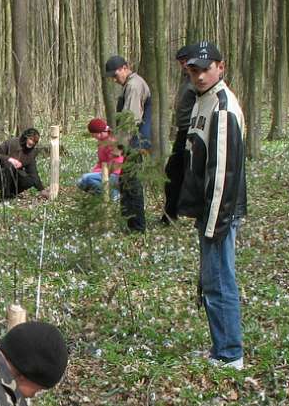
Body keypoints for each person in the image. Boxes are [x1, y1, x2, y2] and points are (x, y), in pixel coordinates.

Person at [175, 42, 248, 369]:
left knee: (219, 281)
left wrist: (215, 222)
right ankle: (222, 348)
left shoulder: (221, 108)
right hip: (208, 209)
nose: (200, 75)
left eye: (206, 69)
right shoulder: (201, 102)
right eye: (194, 70)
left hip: (219, 211)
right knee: (211, 280)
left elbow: (224, 172)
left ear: (221, 67)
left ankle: (230, 354)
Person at [103, 56, 152, 232]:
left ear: (125, 68)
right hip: (133, 141)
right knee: (126, 182)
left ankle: (138, 227)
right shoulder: (129, 85)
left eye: (116, 75)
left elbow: (130, 119)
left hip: (136, 141)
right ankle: (130, 223)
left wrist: (119, 147)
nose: (115, 80)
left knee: (132, 185)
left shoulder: (134, 86)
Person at [161, 45, 200, 224]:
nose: (183, 65)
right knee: (173, 172)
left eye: (186, 61)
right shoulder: (187, 79)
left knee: (178, 172)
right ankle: (171, 213)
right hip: (183, 131)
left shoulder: (198, 80)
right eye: (181, 62)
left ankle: (173, 214)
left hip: (192, 132)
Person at [0, 127, 47, 200]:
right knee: (9, 165)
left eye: (34, 141)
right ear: (25, 137)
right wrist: (9, 159)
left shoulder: (30, 154)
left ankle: (11, 193)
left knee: (30, 180)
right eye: (31, 139)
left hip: (11, 175)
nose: (31, 142)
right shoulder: (12, 142)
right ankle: (5, 196)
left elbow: (33, 174)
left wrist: (42, 190)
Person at [76, 117, 124, 201]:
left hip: (116, 175)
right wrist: (95, 172)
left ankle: (114, 195)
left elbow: (116, 165)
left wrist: (97, 174)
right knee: (81, 182)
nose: (93, 136)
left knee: (87, 178)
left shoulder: (113, 141)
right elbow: (101, 162)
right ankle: (107, 195)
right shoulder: (102, 142)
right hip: (105, 172)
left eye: (93, 134)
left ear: (98, 133)